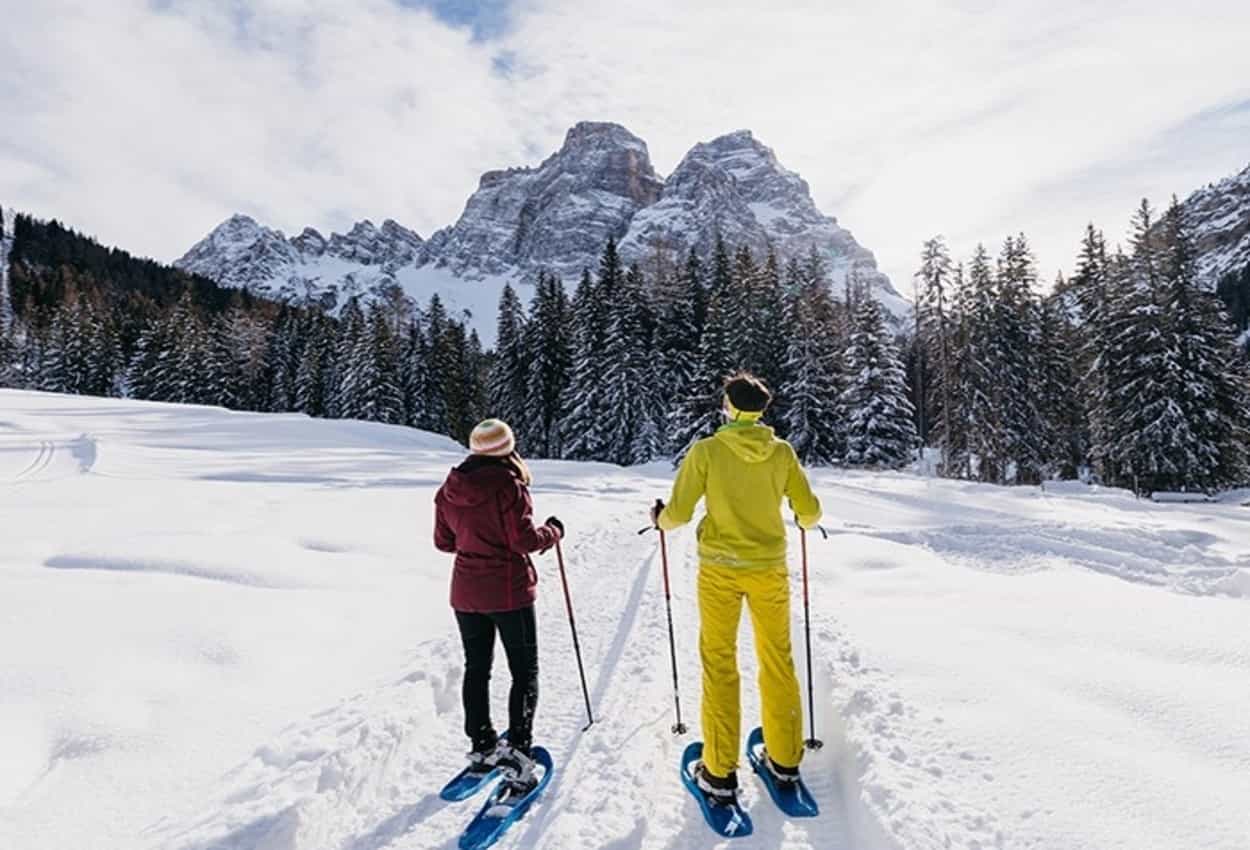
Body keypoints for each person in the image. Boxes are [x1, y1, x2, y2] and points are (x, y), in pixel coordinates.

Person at [652, 372, 822, 805]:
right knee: (778, 662)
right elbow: (810, 512)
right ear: (761, 410)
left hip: (719, 573)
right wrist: (802, 520)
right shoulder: (781, 453)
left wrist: (659, 520)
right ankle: (784, 760)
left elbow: (678, 513)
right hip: (768, 571)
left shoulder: (707, 451)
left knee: (719, 664)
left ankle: (719, 772)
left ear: (729, 406)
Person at [434, 418, 564, 801]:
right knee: (524, 672)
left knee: (477, 669)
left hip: (466, 591)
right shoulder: (509, 485)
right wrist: (552, 533)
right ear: (507, 448)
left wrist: (475, 539)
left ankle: (483, 744)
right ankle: (520, 752)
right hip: (507, 591)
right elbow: (522, 539)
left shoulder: (451, 485)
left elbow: (444, 542)